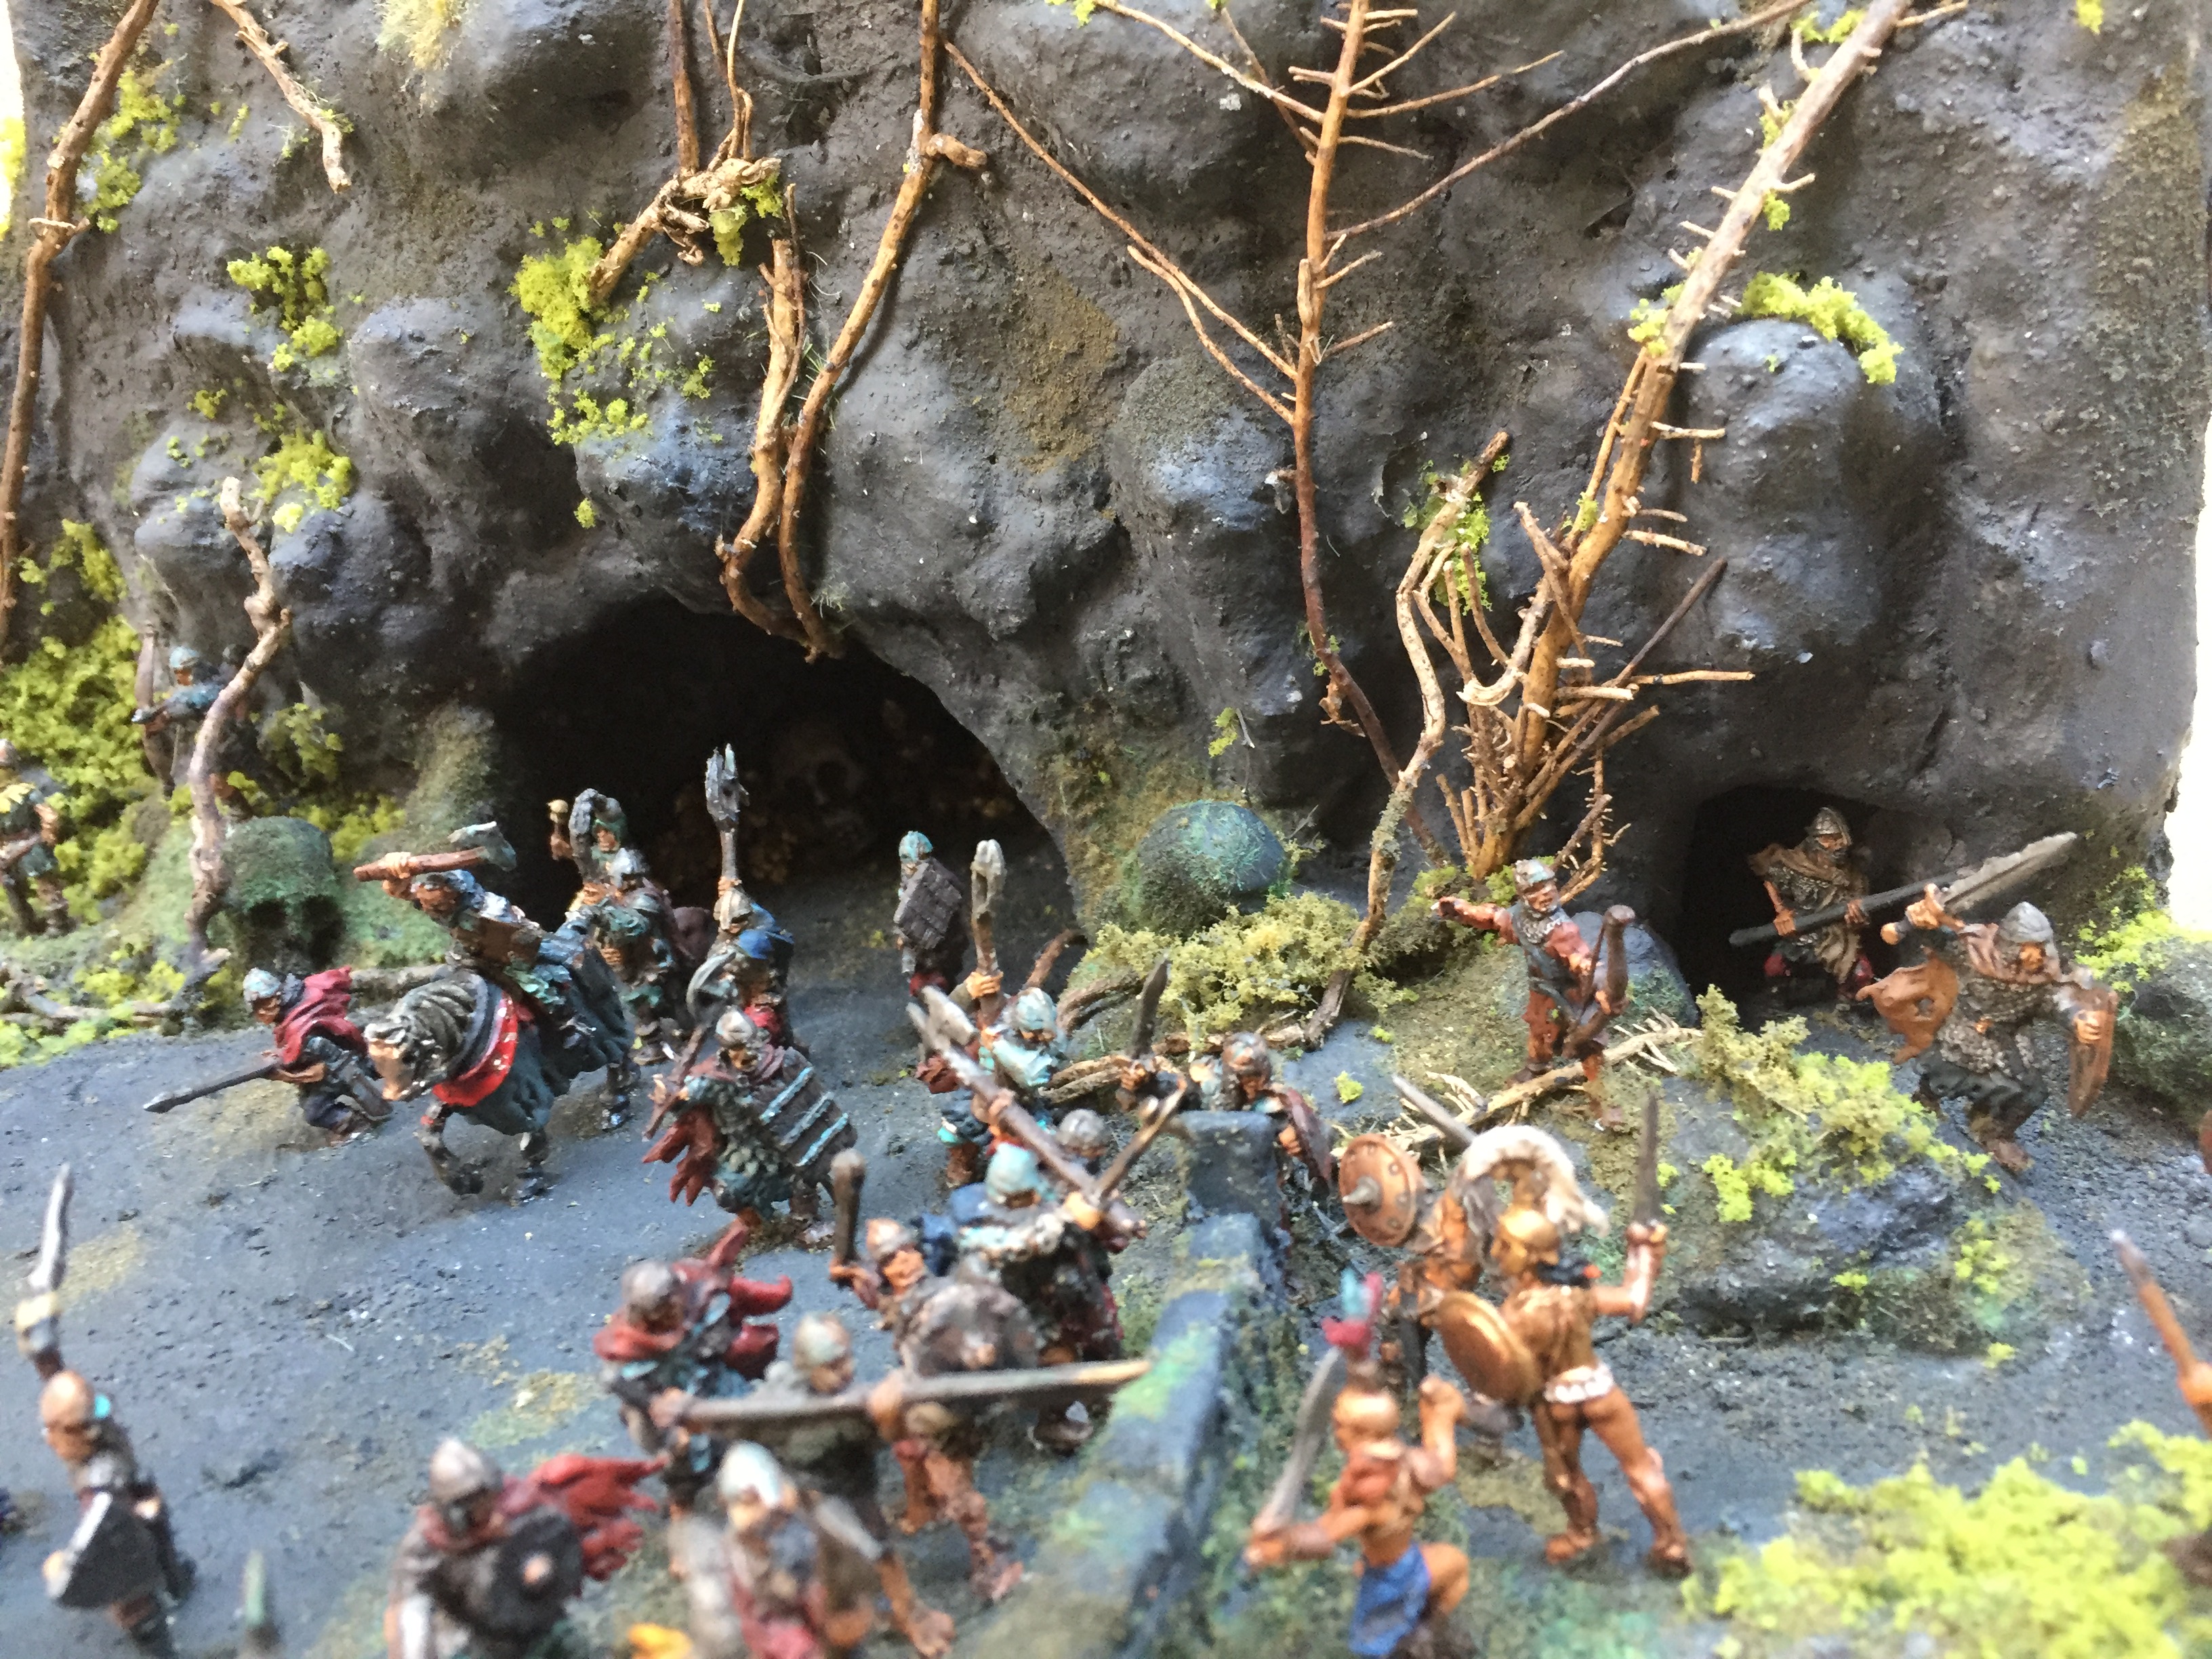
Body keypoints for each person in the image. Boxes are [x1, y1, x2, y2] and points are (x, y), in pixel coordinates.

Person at [1246, 1277, 1469, 1658]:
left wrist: (1282, 1544)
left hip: (1392, 1578)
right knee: (1456, 1566)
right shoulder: (1407, 1462)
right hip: (1402, 1560)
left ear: (1359, 1434)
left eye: (1341, 1427)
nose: (1336, 1433)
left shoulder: (1371, 1494)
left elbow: (1325, 1536)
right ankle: (1424, 1628)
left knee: (1377, 1645)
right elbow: (1441, 1465)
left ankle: (1418, 1637)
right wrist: (1438, 1416)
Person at [16, 1254, 196, 1656]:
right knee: (160, 1549)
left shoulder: (98, 1481)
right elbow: (62, 1385)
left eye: (51, 1430)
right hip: (140, 1502)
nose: (47, 1438)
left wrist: (64, 1569)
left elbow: (100, 1538)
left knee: (137, 1605)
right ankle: (174, 1580)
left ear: (68, 1433)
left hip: (129, 1532)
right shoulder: (95, 1418)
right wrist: (40, 1339)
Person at [1866, 893, 2114, 1172]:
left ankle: (1995, 1132)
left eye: (2041, 947)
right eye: (2028, 947)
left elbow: (2058, 1002)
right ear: (2010, 945)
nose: (2035, 955)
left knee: (2032, 1092)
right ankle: (1924, 1102)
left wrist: (2077, 1020)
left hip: (2009, 1037)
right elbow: (1941, 940)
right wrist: (1921, 922)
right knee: (1944, 1073)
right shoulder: (1974, 955)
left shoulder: (2046, 976)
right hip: (1966, 1030)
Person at [383, 1439, 656, 1659]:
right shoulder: (428, 1545)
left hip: (540, 1621)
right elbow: (411, 1611)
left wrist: (547, 1567)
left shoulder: (521, 1507)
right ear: (454, 1510)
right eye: (476, 1506)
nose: (489, 1512)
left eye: (489, 1499)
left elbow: (555, 1537)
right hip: (476, 1640)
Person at [594, 1223, 792, 1527]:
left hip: (719, 1383)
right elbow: (615, 1380)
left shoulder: (698, 1300)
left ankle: (769, 1479)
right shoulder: (632, 1343)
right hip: (678, 1406)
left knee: (755, 1425)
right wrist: (655, 1402)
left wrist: (727, 1342)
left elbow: (724, 1330)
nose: (674, 1312)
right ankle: (681, 1504)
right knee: (684, 1461)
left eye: (674, 1303)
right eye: (663, 1310)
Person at [243, 966, 386, 1143]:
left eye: (262, 1006)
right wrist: (281, 1055)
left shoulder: (303, 1030)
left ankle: (355, 1126)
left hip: (343, 1070)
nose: (260, 1014)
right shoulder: (293, 1015)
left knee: (314, 1111)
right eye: (256, 1009)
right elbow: (298, 1050)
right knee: (308, 1100)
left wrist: (286, 1076)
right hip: (336, 1063)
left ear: (275, 999)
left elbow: (320, 1070)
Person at [1748, 806, 1872, 1005]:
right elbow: (1769, 879)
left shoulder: (1853, 877)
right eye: (1828, 839)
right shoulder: (1794, 866)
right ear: (1815, 840)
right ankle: (1779, 1000)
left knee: (1861, 974)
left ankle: (1849, 1003)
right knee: (1774, 968)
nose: (1835, 846)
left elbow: (1861, 915)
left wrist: (1855, 917)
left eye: (1838, 839)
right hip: (1800, 929)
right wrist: (1781, 911)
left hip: (1836, 934)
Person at [0, 737, 69, 935]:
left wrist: (48, 834)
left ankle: (58, 922)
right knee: (11, 886)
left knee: (46, 882)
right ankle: (28, 924)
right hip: (7, 848)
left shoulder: (27, 793)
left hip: (31, 844)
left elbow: (48, 816)